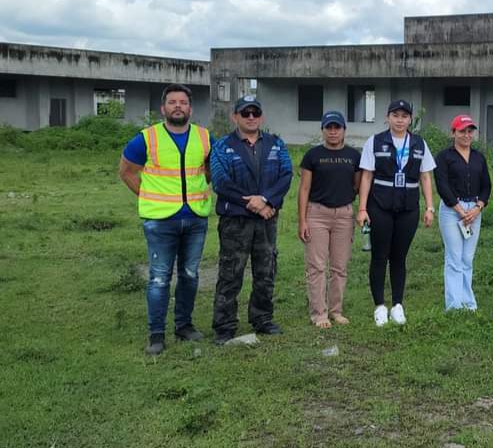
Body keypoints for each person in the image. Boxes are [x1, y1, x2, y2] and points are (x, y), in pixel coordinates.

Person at [118, 83, 213, 355]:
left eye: (183, 102)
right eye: (172, 102)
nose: (178, 106)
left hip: (195, 218)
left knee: (190, 274)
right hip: (160, 221)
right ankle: (156, 334)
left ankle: (184, 325)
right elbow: (126, 171)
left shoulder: (205, 137)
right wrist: (148, 195)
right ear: (163, 108)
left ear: (190, 109)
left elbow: (210, 168)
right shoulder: (146, 138)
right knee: (159, 278)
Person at [209, 95, 293, 344]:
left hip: (267, 219)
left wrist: (266, 200)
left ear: (261, 117)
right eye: (245, 113)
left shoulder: (276, 144)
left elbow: (286, 175)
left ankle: (262, 318)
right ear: (235, 116)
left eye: (255, 112)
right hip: (235, 221)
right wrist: (254, 205)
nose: (251, 117)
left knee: (266, 271)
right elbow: (221, 182)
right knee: (230, 273)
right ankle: (224, 326)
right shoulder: (222, 146)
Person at [356, 99, 436, 326]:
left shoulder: (419, 143)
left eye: (404, 116)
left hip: (408, 208)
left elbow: (425, 177)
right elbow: (367, 176)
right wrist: (362, 208)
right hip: (380, 206)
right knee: (379, 256)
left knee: (399, 258)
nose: (400, 120)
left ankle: (397, 305)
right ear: (387, 117)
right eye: (395, 115)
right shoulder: (375, 141)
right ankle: (380, 306)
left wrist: (430, 207)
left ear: (410, 119)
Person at [297, 110, 361, 329]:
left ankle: (336, 311)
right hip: (317, 214)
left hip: (344, 215)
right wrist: (302, 220)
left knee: (339, 267)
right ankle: (319, 313)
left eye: (337, 127)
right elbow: (304, 189)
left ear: (344, 130)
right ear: (323, 130)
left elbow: (357, 185)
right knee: (316, 266)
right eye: (329, 128)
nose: (333, 132)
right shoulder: (312, 156)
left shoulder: (354, 156)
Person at [434, 114, 491, 311]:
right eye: (462, 131)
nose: (466, 135)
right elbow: (442, 185)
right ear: (453, 133)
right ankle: (454, 305)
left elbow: (486, 185)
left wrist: (477, 208)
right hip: (452, 210)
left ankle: (468, 302)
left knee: (467, 258)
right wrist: (459, 210)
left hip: (474, 210)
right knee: (454, 256)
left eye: (470, 131)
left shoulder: (478, 157)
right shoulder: (444, 157)